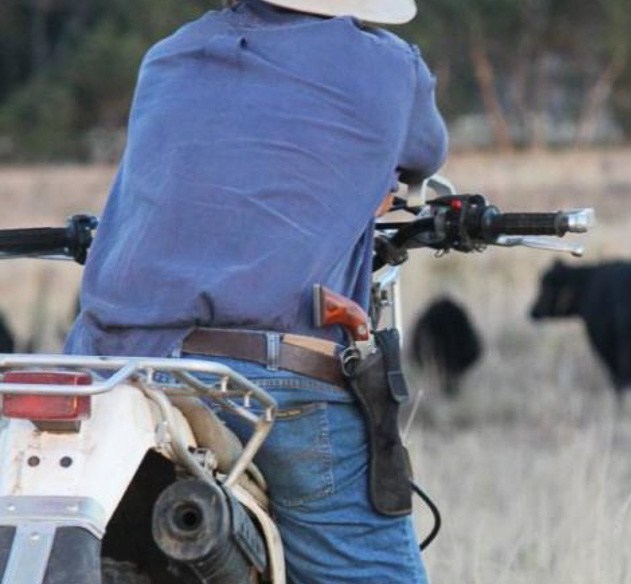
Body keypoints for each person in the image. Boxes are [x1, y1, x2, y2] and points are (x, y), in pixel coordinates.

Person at [64, 0, 448, 581]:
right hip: (259, 375)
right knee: (367, 564)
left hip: (109, 365)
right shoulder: (390, 68)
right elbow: (425, 155)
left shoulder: (169, 56)